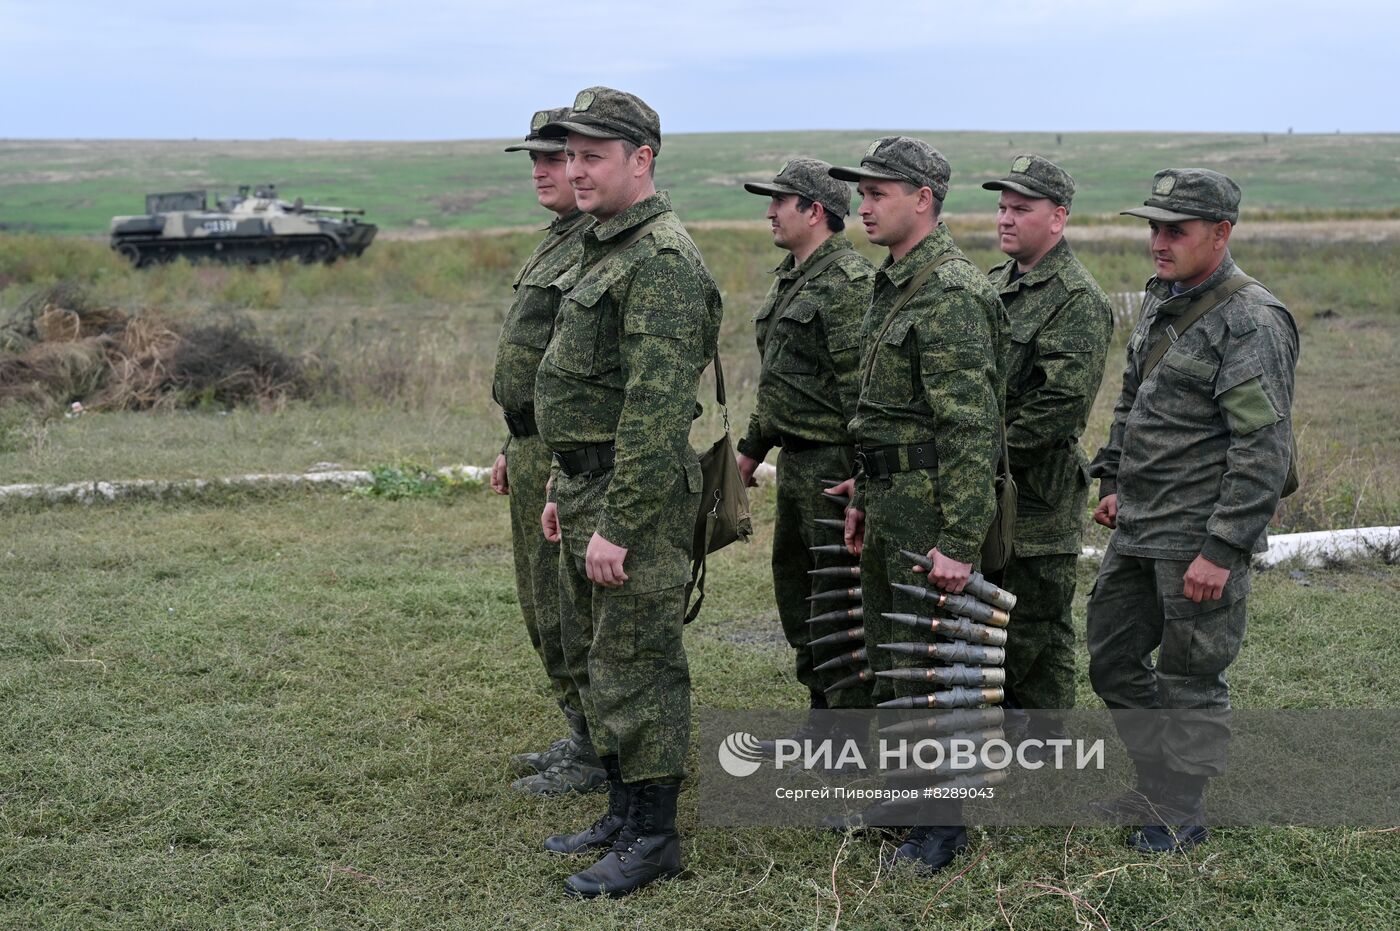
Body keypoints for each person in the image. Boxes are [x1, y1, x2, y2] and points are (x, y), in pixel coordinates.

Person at [532, 87, 723, 898]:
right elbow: (581, 380)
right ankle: (620, 810)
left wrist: (617, 521)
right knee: (598, 659)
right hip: (585, 486)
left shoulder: (663, 261)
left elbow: (652, 410)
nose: (575, 170)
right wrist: (558, 481)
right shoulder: (604, 247)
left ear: (641, 160)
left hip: (629, 495)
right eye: (569, 155)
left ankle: (653, 837)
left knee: (638, 664)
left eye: (592, 156)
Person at [1087, 168, 1298, 853]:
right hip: (1142, 521)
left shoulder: (1250, 320)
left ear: (1221, 232)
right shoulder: (1162, 302)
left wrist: (1225, 546)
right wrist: (1112, 475)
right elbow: (1132, 401)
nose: (1159, 239)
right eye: (1153, 226)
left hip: (1197, 534)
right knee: (1112, 656)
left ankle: (1180, 806)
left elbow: (1261, 445)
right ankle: (1158, 778)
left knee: (1190, 674)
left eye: (1176, 229)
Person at [827, 137, 1007, 872]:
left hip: (934, 510)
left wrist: (962, 540)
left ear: (923, 199)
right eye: (861, 193)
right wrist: (865, 495)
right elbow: (886, 414)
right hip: (891, 502)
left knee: (932, 672)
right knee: (894, 662)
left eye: (877, 193)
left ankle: (942, 828)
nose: (863, 206)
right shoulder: (894, 282)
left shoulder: (952, 292)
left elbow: (969, 430)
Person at [981, 156, 1112, 749]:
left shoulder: (1076, 299)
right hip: (989, 488)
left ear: (1057, 218)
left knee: (1035, 632)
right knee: (990, 626)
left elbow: (1058, 411)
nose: (1005, 219)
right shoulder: (994, 285)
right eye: (1003, 207)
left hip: (1036, 498)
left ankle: (1051, 753)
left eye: (1021, 209)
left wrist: (975, 456)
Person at [491, 108, 603, 795]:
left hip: (566, 453)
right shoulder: (559, 240)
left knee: (568, 606)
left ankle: (596, 748)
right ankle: (580, 731)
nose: (540, 170)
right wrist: (513, 436)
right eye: (533, 158)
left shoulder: (595, 246)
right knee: (540, 602)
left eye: (554, 157)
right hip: (532, 445)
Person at [735, 157, 874, 709]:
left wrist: (863, 475)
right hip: (796, 462)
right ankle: (822, 715)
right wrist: (751, 449)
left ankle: (848, 730)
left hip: (833, 465)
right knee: (799, 594)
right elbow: (781, 381)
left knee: (838, 603)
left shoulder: (847, 285)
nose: (769, 212)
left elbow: (862, 394)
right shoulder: (794, 278)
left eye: (779, 201)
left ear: (815, 211)